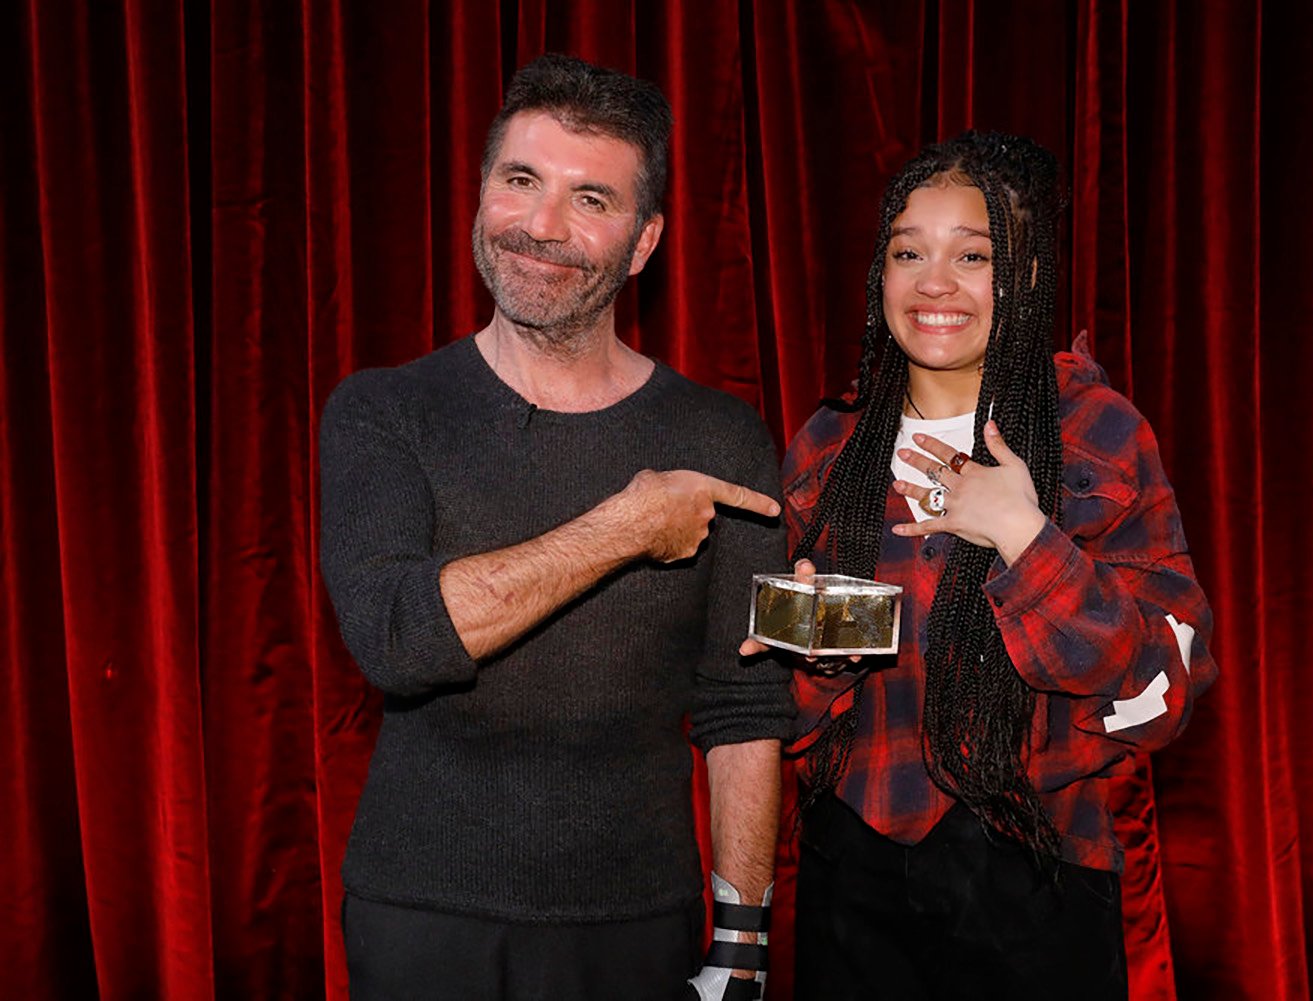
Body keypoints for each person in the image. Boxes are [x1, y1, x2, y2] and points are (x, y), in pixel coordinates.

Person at [319, 54, 792, 1001]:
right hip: (421, 918)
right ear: (480, 194)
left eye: (591, 198)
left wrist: (742, 941)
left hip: (636, 924)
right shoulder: (383, 412)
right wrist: (625, 525)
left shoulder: (719, 437)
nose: (541, 225)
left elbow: (743, 707)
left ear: (644, 241)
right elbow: (400, 638)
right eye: (521, 180)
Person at [752, 132, 1219, 999]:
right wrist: (814, 661)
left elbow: (1165, 692)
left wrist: (1024, 537)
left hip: (1040, 879)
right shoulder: (827, 447)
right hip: (851, 882)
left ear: (1027, 275)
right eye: (909, 253)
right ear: (880, 275)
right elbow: (766, 710)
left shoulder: (1097, 431)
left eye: (973, 255)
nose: (935, 282)